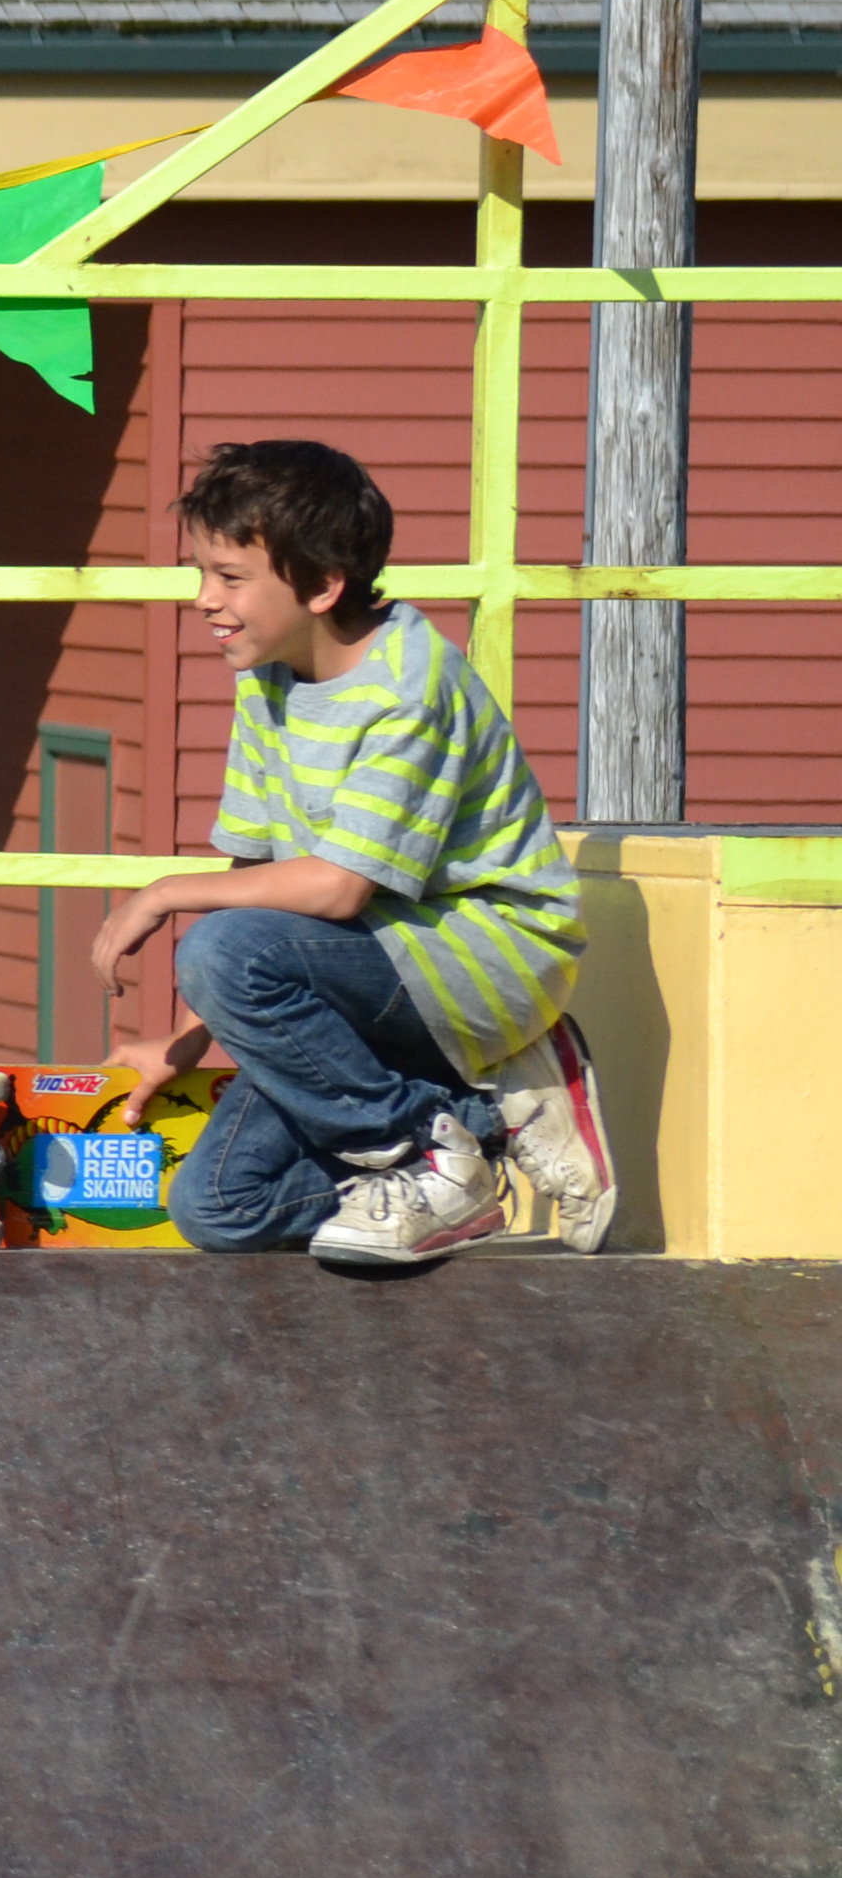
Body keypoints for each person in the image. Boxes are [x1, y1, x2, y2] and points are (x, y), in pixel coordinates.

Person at [90, 439, 611, 1265]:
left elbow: (335, 890)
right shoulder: (268, 678)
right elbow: (256, 884)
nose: (204, 599)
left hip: (488, 961)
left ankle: (429, 1157)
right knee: (220, 1207)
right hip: (371, 973)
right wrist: (188, 1040)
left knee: (220, 943)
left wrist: (161, 893)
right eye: (202, 573)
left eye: (229, 578)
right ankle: (481, 1126)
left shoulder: (411, 685)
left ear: (323, 585)